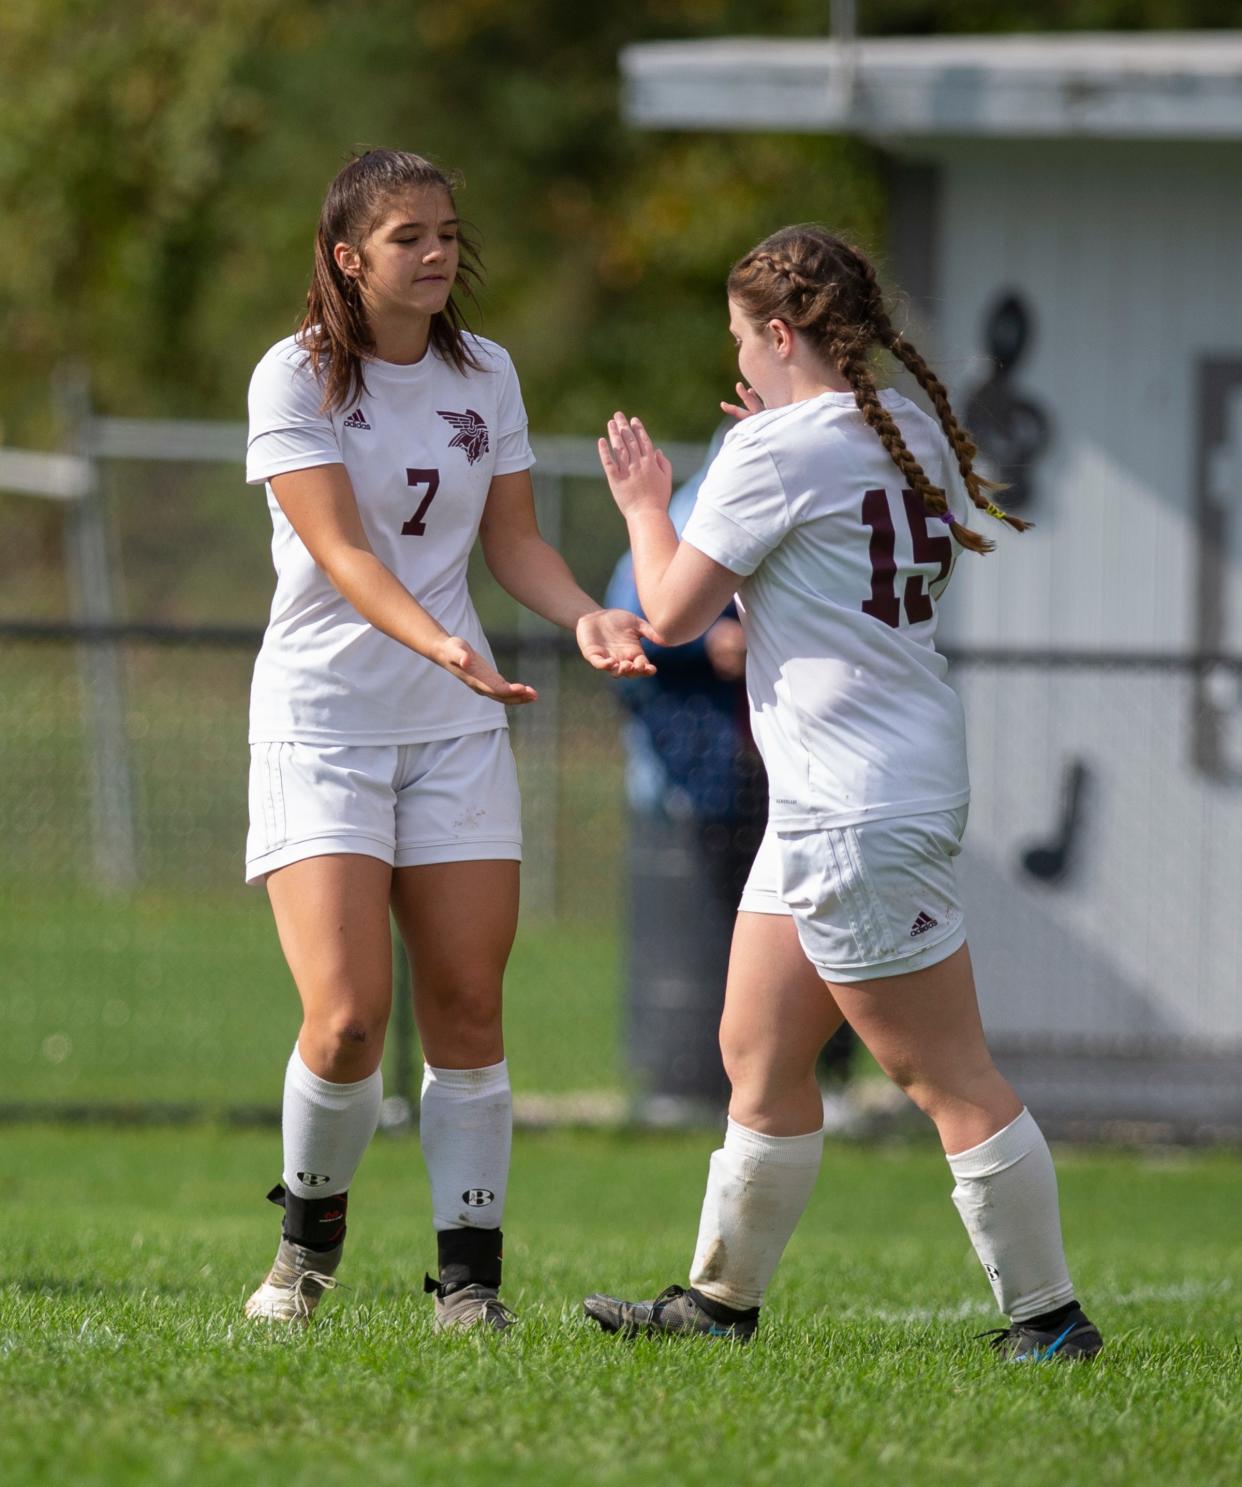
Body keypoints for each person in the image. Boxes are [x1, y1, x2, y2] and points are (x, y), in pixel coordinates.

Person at [583, 225, 1102, 1363]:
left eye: (741, 340)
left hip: (852, 803)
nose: (739, 362)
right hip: (864, 787)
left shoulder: (775, 455)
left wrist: (646, 498)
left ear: (778, 334)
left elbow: (667, 611)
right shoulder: (894, 423)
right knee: (757, 1053)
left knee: (943, 1073)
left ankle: (1051, 1318)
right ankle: (721, 1305)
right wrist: (763, 443)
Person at [241, 149, 655, 1331]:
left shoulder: (489, 372)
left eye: (446, 232)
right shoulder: (296, 377)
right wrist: (442, 642)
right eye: (408, 235)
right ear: (347, 257)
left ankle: (469, 1282)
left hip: (455, 726)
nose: (436, 253)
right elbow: (345, 553)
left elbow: (512, 545)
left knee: (470, 1003)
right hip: (325, 724)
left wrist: (585, 616)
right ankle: (304, 1257)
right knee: (349, 1018)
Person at [607, 432, 857, 1118]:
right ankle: (753, 1092)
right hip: (724, 776)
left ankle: (818, 1084)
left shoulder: (819, 490)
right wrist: (706, 638)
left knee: (824, 939)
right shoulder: (699, 509)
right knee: (739, 945)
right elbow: (654, 619)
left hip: (807, 776)